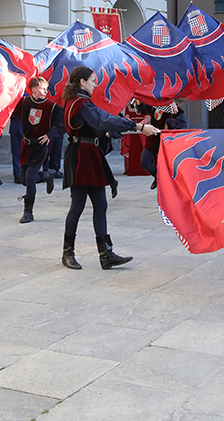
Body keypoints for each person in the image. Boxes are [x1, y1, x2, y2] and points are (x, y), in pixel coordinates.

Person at [60, 66, 158, 270]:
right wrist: (138, 127)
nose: (95, 84)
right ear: (82, 82)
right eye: (93, 80)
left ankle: (106, 254)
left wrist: (113, 130)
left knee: (101, 205)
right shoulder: (80, 102)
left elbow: (102, 122)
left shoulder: (82, 101)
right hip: (80, 155)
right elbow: (103, 120)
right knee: (77, 207)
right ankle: (67, 253)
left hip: (90, 154)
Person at [16, 76, 63, 223]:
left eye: (46, 88)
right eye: (42, 88)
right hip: (27, 145)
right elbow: (8, 107)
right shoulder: (24, 102)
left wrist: (51, 134)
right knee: (24, 180)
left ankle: (28, 212)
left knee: (29, 178)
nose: (45, 91)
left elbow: (63, 124)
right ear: (34, 89)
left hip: (41, 146)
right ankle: (46, 176)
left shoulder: (52, 106)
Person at [141, 101, 187, 190]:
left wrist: (169, 122)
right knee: (144, 161)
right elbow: (142, 110)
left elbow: (182, 122)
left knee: (169, 165)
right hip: (153, 137)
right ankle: (157, 176)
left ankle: (170, 185)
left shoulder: (173, 108)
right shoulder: (153, 105)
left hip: (167, 140)